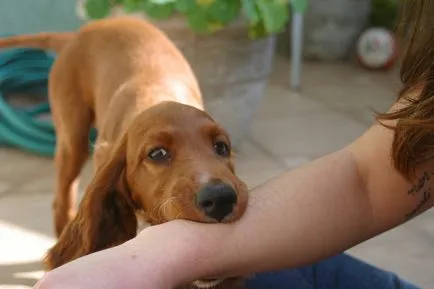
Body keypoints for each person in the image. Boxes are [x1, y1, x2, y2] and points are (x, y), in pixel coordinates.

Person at [34, 1, 434, 288]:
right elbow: (365, 181)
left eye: (220, 147)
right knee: (71, 156)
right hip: (82, 62)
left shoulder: (190, 130)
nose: (212, 178)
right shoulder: (116, 157)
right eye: (158, 154)